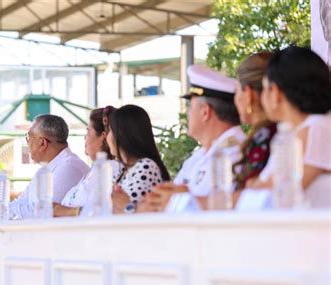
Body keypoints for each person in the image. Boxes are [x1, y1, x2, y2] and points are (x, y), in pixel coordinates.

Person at [139, 65, 246, 211]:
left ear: (205, 112)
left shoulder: (235, 152)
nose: (187, 113)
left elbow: (221, 209)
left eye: (190, 106)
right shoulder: (198, 156)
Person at [0, 114, 90, 218]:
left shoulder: (69, 167)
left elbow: (41, 211)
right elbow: (19, 205)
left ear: (42, 143)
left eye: (29, 137)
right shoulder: (44, 170)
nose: (27, 143)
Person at [258, 46, 330, 207]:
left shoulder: (318, 128)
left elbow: (277, 192)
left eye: (263, 88)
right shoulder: (292, 133)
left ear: (275, 92)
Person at [55, 106, 120, 216]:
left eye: (88, 132)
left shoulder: (110, 170)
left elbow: (98, 212)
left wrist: (64, 211)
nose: (85, 138)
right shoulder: (98, 170)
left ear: (103, 137)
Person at [108, 104, 171, 214]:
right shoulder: (124, 170)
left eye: (110, 131)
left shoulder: (146, 166)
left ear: (121, 134)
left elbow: (120, 211)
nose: (107, 137)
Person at [232, 52, 277, 189]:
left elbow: (250, 198)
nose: (235, 98)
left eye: (237, 91)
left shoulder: (265, 136)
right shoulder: (279, 131)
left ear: (248, 94)